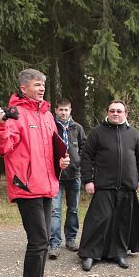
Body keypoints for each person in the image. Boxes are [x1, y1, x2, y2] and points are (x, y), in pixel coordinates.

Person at [0, 69, 70, 277]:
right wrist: (0, 123)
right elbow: (2, 148)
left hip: (46, 184)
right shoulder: (15, 114)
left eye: (43, 84)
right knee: (38, 240)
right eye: (37, 84)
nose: (42, 88)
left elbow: (52, 148)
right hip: (26, 186)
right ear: (24, 88)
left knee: (43, 240)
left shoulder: (46, 115)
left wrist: (60, 161)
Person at [79, 100, 139, 271]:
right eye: (112, 111)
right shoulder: (97, 133)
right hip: (104, 185)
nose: (115, 114)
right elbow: (86, 157)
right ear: (108, 113)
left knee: (122, 221)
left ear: (125, 114)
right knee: (98, 220)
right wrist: (88, 180)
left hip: (127, 186)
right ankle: (90, 254)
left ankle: (119, 253)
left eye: (119, 111)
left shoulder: (134, 134)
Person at [48, 98, 86, 259]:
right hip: (55, 175)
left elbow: (85, 148)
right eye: (61, 110)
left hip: (74, 175)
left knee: (73, 209)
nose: (63, 113)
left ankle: (71, 239)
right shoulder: (50, 127)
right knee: (55, 210)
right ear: (55, 110)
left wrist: (78, 162)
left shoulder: (77, 128)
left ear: (71, 111)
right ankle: (54, 244)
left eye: (66, 110)